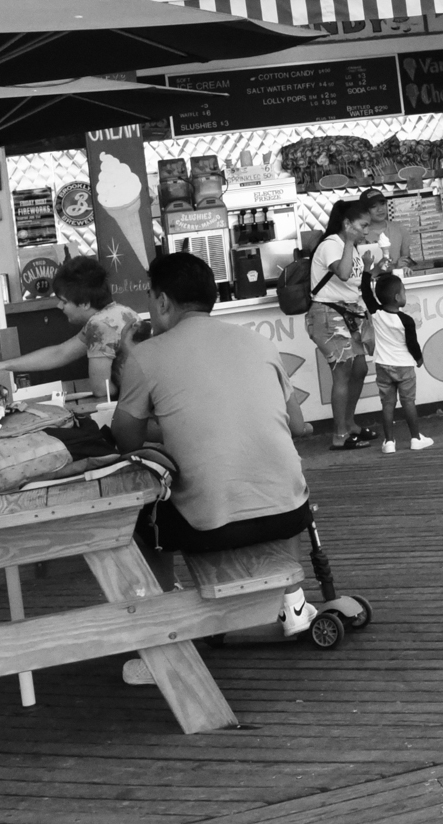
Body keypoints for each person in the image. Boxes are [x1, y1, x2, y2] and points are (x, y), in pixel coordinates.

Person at [112, 252, 317, 680]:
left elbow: (126, 441)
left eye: (152, 299)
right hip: (290, 515)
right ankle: (293, 599)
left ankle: (166, 630)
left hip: (210, 525)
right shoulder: (259, 342)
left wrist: (169, 421)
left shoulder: (146, 356)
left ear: (164, 302)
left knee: (136, 517)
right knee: (271, 477)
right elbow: (298, 426)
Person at [0, 256, 139, 397]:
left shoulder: (100, 325)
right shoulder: (121, 312)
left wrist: (123, 393)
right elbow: (60, 353)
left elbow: (101, 390)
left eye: (64, 301)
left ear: (84, 304)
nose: (59, 306)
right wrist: (2, 365)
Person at [307, 199, 375, 450]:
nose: (366, 231)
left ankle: (349, 423)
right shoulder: (331, 245)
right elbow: (344, 273)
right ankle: (339, 435)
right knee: (343, 372)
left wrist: (370, 269)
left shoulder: (349, 246)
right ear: (347, 223)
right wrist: (348, 241)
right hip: (328, 315)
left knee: (359, 370)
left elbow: (352, 282)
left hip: (347, 314)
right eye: (362, 225)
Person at [364, 272, 434, 454]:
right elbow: (412, 344)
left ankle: (388, 442)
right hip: (404, 366)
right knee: (408, 402)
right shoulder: (407, 321)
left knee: (387, 404)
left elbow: (365, 293)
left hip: (382, 365)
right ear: (397, 298)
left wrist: (366, 269)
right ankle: (416, 438)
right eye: (403, 291)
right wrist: (419, 359)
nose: (405, 294)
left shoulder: (376, 313)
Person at [359, 188, 413, 273]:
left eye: (382, 204)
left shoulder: (399, 228)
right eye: (373, 206)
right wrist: (394, 266)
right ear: (365, 210)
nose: (380, 209)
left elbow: (406, 258)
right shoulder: (360, 233)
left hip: (396, 281)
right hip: (371, 281)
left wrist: (404, 265)